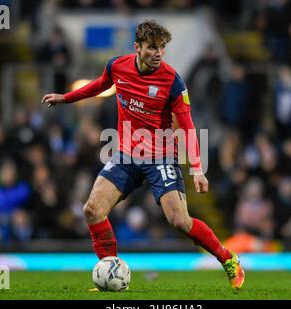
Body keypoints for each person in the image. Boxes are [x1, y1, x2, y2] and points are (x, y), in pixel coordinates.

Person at [41, 20, 244, 290]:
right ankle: (109, 272)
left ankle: (227, 258)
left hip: (161, 157)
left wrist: (196, 167)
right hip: (126, 153)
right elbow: (99, 86)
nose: (158, 53)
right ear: (137, 47)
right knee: (92, 210)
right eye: (152, 47)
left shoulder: (173, 81)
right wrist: (66, 98)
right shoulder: (117, 66)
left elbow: (187, 126)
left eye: (161, 47)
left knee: (179, 221)